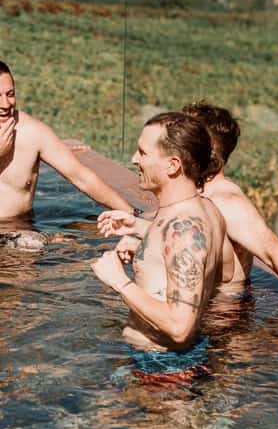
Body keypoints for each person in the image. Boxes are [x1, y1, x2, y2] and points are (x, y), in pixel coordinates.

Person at [100, 102, 278, 325]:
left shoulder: (227, 201)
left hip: (221, 316)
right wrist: (139, 235)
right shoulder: (194, 195)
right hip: (193, 305)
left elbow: (274, 251)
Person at [92, 112, 229, 353]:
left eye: (143, 153)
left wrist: (119, 281)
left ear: (173, 165)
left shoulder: (185, 229)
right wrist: (140, 230)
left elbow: (180, 327)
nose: (135, 159)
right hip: (158, 363)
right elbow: (220, 271)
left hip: (160, 373)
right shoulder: (207, 210)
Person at [0, 58, 133, 222]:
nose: (5, 104)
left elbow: (81, 176)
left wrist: (130, 213)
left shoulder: (32, 131)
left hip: (21, 236)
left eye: (10, 94)